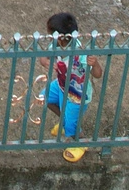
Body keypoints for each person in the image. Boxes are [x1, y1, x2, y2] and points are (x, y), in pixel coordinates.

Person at [44, 12, 96, 162]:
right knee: (45, 97)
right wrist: (45, 62)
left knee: (72, 123)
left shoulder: (82, 53)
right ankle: (65, 121)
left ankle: (81, 142)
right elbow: (44, 56)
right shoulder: (56, 44)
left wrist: (95, 64)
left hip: (77, 95)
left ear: (60, 36)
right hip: (61, 85)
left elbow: (98, 74)